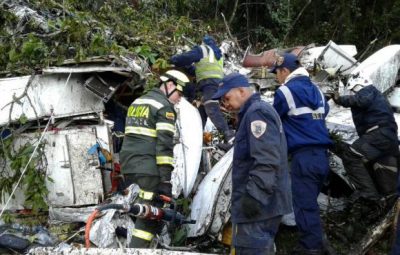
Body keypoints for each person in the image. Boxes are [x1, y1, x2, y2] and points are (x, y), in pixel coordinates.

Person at [212, 73, 292, 254]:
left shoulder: (257, 112)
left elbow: (267, 160)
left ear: (241, 91)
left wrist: (254, 198)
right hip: (263, 205)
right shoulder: (252, 112)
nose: (225, 104)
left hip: (260, 207)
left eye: (227, 98)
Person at [271, 53, 334, 254]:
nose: (276, 78)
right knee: (310, 205)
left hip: (303, 158)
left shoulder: (285, 92)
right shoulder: (318, 91)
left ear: (285, 71)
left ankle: (311, 248)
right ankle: (318, 242)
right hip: (322, 157)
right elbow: (321, 115)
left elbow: (273, 121)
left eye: (277, 73)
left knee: (304, 207)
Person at [119, 69, 189, 248]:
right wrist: (165, 181)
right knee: (150, 216)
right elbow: (164, 148)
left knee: (137, 210)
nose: (179, 99)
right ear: (169, 85)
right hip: (148, 170)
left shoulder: (137, 102)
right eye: (179, 94)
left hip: (129, 167)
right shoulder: (165, 108)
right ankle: (136, 251)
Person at [331, 72, 399, 202]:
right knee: (385, 175)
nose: (352, 93)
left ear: (357, 84)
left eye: (352, 90)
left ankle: (368, 193)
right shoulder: (376, 95)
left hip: (378, 135)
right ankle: (386, 201)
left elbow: (360, 101)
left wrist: (339, 99)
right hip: (388, 138)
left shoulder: (368, 91)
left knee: (351, 155)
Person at [170, 35, 235, 144]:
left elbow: (185, 58)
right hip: (215, 84)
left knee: (211, 109)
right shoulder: (217, 54)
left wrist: (173, 60)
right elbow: (200, 69)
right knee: (201, 114)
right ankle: (196, 139)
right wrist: (188, 68)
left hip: (209, 84)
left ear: (203, 42)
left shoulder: (203, 49)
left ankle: (229, 135)